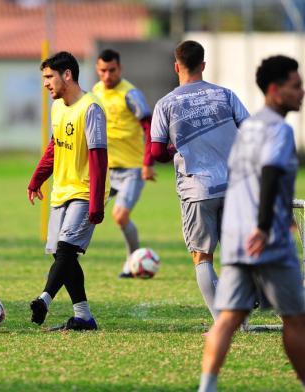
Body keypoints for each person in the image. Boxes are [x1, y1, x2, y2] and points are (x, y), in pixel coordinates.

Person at [198, 55, 305, 392]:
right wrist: (264, 226)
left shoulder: (249, 128)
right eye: (296, 85)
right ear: (275, 90)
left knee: (229, 317)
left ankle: (207, 386)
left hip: (236, 236)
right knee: (295, 318)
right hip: (267, 238)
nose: (302, 91)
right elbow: (271, 173)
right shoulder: (279, 129)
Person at [151, 40, 249, 323]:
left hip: (198, 189)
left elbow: (157, 152)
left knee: (202, 256)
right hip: (234, 186)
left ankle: (223, 325)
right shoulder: (226, 95)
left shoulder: (166, 103)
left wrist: (175, 147)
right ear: (203, 65)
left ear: (176, 66)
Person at [27, 51, 109, 331]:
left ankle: (44, 299)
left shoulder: (91, 108)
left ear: (67, 75)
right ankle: (83, 317)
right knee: (63, 256)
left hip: (86, 192)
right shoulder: (58, 107)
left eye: (49, 77)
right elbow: (54, 146)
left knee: (65, 251)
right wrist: (36, 179)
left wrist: (97, 202)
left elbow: (98, 158)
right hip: (61, 190)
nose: (46, 83)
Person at [92, 49, 156, 278]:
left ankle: (132, 261)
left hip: (132, 169)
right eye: (102, 71)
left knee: (120, 216)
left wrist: (148, 162)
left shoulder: (130, 94)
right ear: (97, 70)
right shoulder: (96, 92)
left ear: (120, 69)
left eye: (112, 70)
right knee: (86, 212)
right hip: (107, 170)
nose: (107, 76)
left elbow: (149, 128)